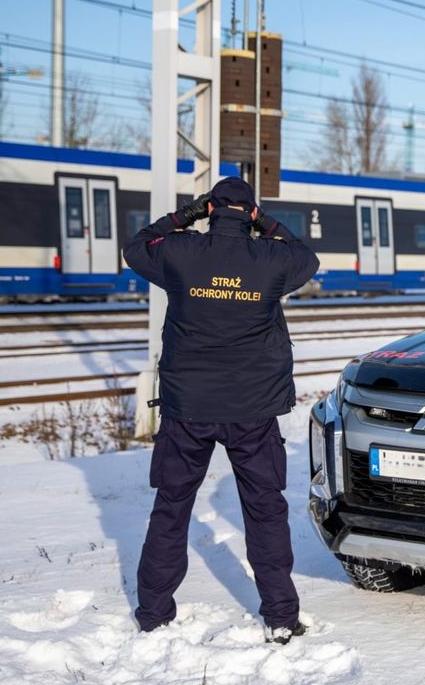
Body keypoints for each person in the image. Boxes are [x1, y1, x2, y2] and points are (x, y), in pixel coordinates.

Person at [122, 176, 320, 644]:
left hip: (187, 409)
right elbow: (306, 257)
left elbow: (137, 245)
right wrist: (265, 223)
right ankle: (280, 616)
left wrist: (186, 215)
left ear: (211, 210)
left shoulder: (180, 252)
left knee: (171, 508)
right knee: (265, 512)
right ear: (250, 214)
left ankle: (153, 613)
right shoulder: (272, 258)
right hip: (252, 411)